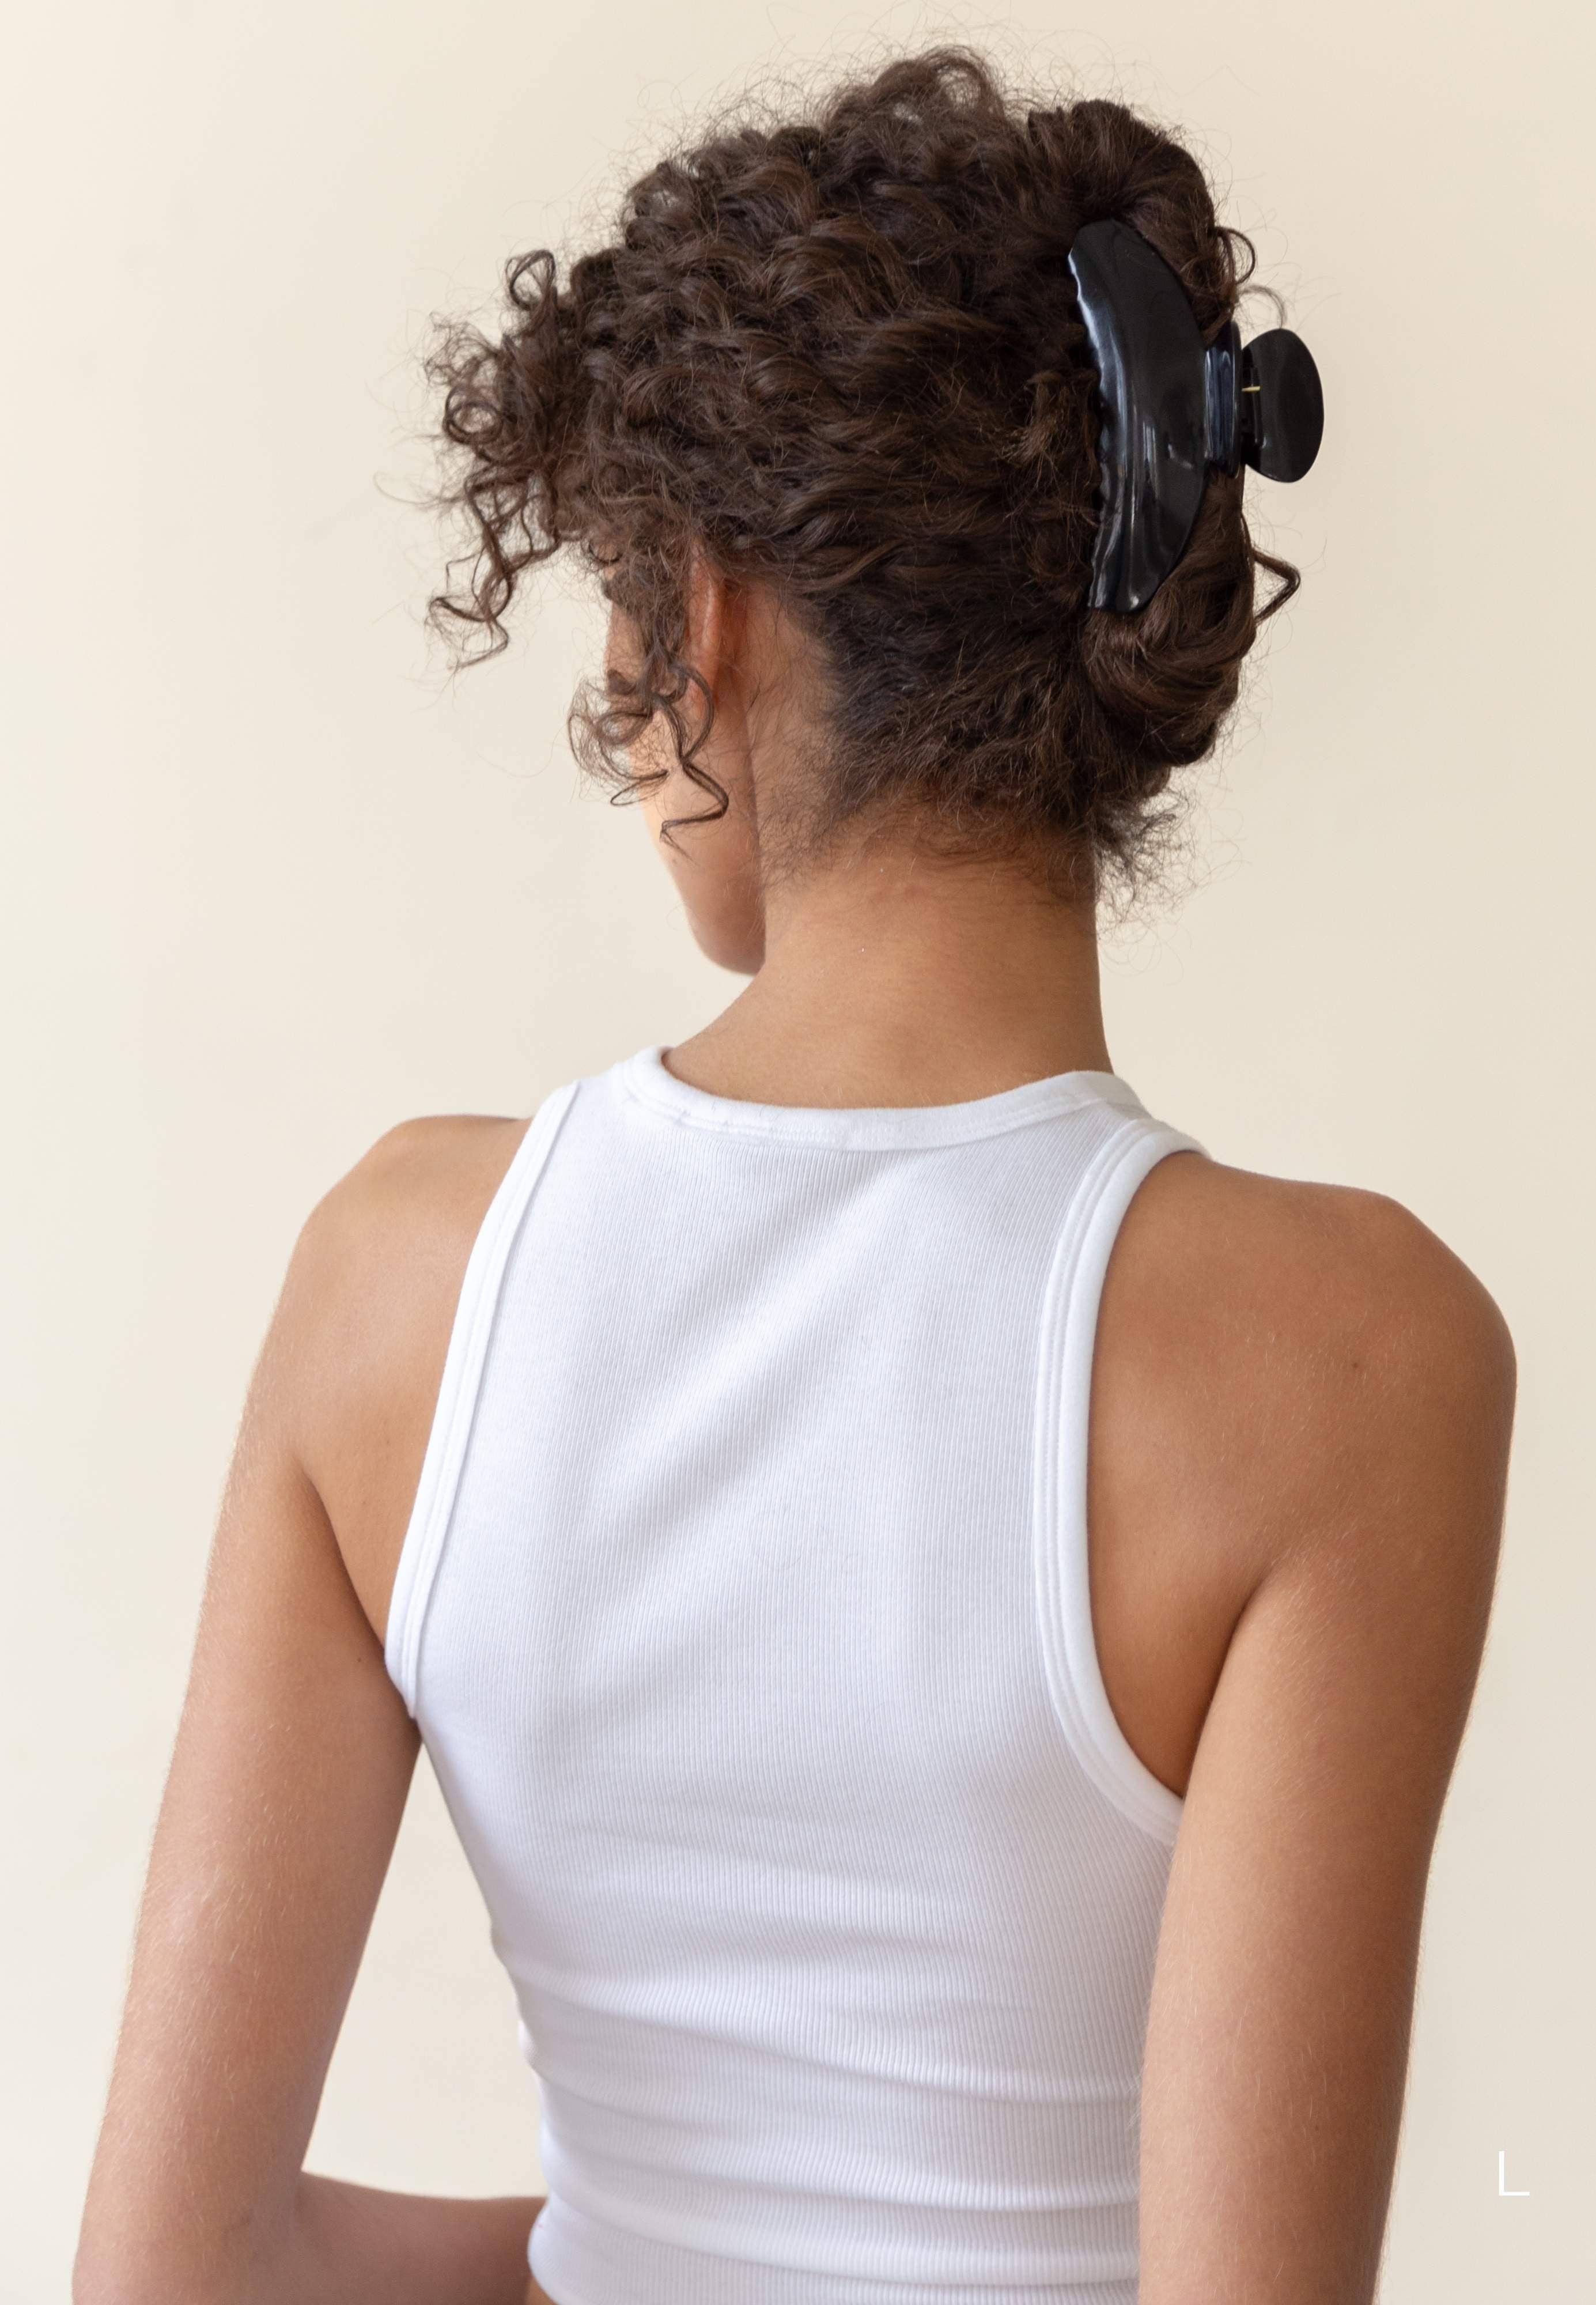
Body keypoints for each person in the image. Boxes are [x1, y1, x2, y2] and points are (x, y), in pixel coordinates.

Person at [74, 46, 1515, 2305]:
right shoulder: (1346, 1354)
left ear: (708, 615)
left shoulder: (399, 1275)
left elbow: (177, 2272)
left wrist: (648, 2248)